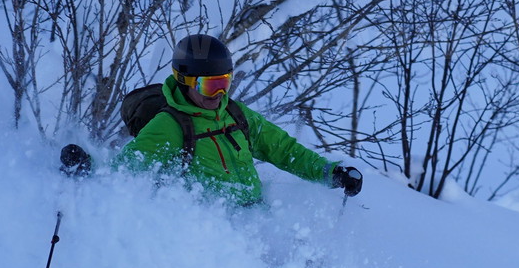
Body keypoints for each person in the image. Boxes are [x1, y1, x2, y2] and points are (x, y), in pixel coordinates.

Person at [60, 34, 362, 207]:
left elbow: (282, 149)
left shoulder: (236, 113)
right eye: (209, 85)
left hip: (257, 219)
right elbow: (125, 171)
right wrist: (85, 169)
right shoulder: (170, 126)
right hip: (215, 234)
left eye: (224, 82)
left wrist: (330, 173)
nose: (218, 93)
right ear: (185, 81)